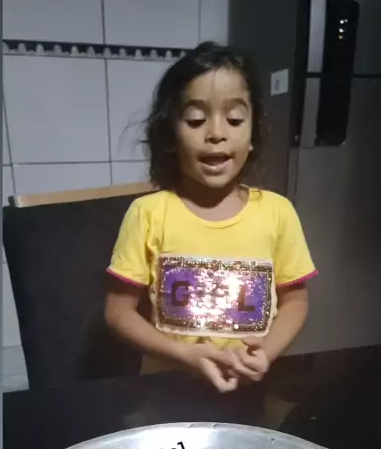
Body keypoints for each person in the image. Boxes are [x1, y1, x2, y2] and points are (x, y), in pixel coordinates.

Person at [105, 42, 317, 393]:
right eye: (195, 120)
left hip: (250, 387)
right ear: (170, 135)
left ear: (252, 135)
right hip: (166, 388)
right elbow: (118, 312)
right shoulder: (147, 214)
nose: (216, 133)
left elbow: (296, 302)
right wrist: (183, 354)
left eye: (234, 119)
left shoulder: (278, 213)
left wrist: (265, 354)